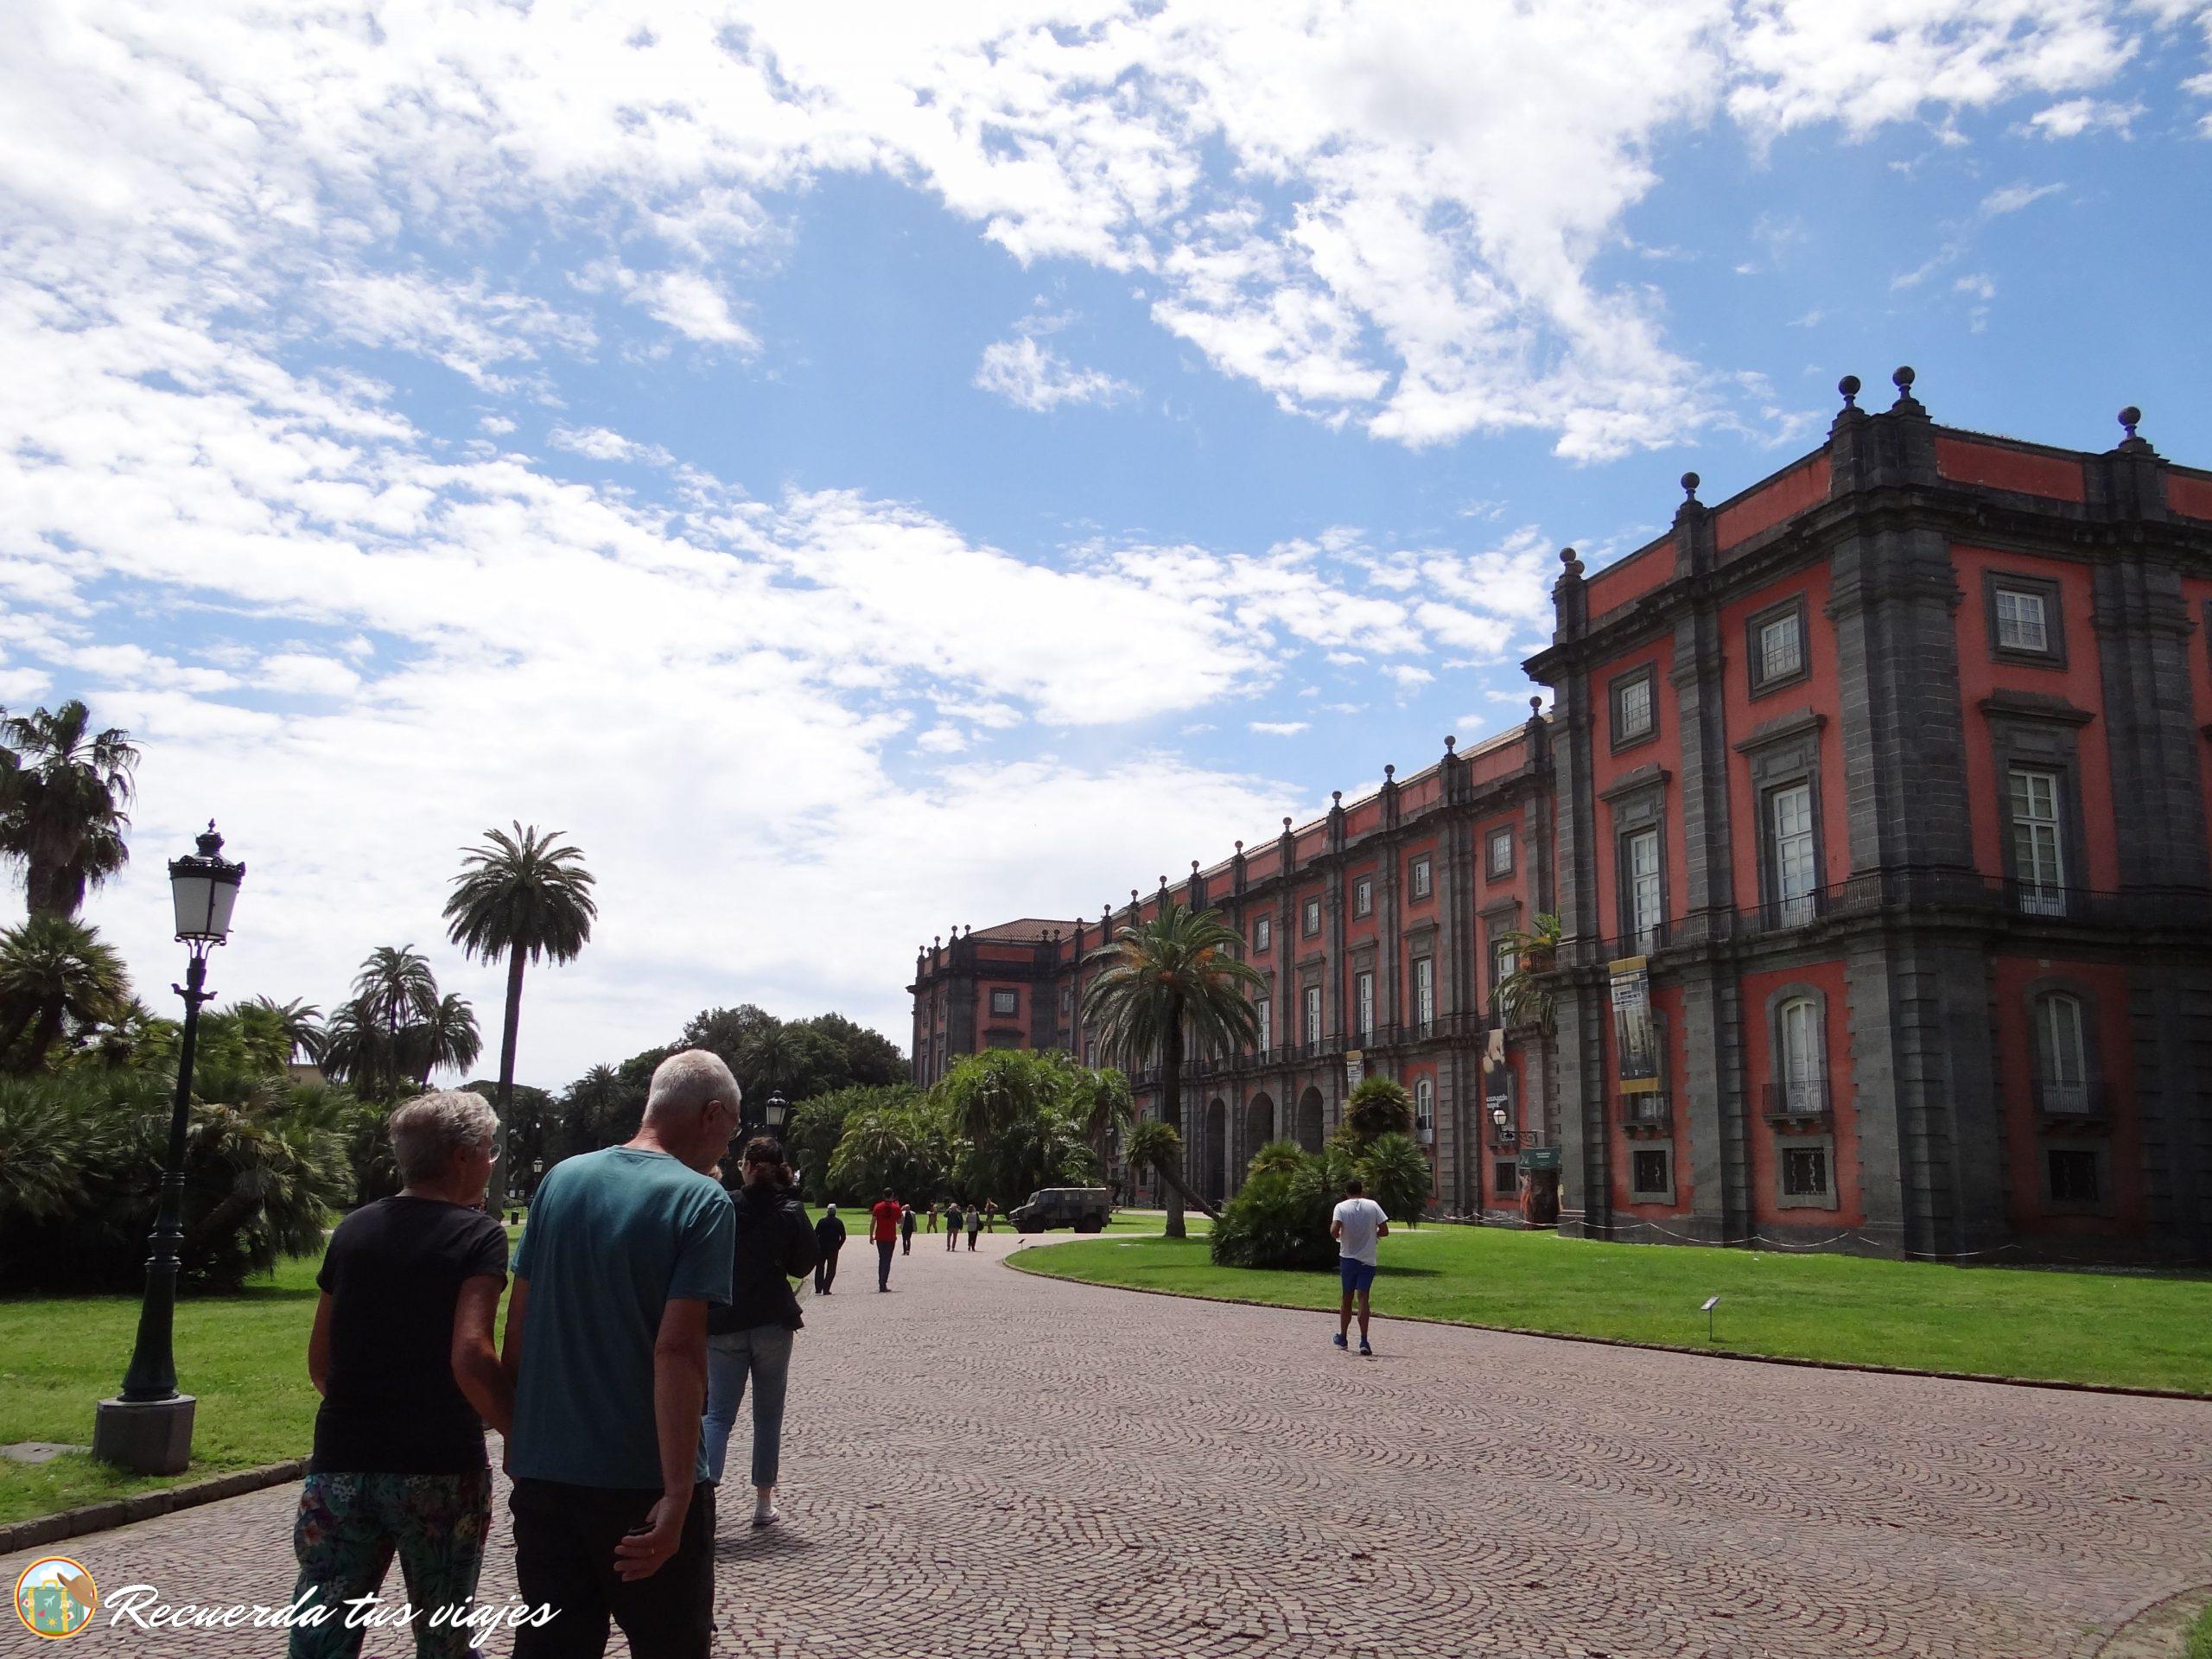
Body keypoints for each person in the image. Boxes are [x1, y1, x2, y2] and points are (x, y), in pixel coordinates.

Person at [503, 1049, 740, 1659]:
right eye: (733, 1128)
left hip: (548, 1475)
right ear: (712, 1115)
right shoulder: (702, 1202)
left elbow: (519, 1328)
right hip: (641, 1481)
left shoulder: (560, 1180)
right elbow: (679, 1350)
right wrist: (680, 1494)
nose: (730, 1147)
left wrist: (521, 1441)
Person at [289, 1090, 511, 1659]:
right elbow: (471, 1355)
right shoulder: (477, 1234)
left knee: (321, 1637)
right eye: (489, 1150)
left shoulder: (353, 1231)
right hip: (437, 1468)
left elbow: (321, 1364)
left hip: (341, 1465)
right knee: (443, 1638)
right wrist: (519, 1429)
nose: (493, 1162)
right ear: (461, 1156)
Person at [701, 1139, 817, 1530]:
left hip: (725, 1321)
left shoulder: (725, 1204)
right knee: (768, 1416)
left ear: (747, 1166)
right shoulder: (791, 1210)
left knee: (718, 1416)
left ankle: (706, 1497)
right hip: (772, 1320)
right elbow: (803, 1265)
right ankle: (763, 1501)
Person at [1331, 1176, 1389, 1357]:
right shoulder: (1372, 1205)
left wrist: (1342, 1235)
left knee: (1346, 1297)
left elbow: (1333, 1231)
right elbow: (1385, 1230)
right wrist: (1372, 1233)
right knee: (1364, 1297)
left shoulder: (1341, 1207)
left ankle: (1343, 1337)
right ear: (1362, 1191)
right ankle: (1364, 1340)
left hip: (1348, 1257)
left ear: (1346, 1192)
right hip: (1368, 1258)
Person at [870, 1191, 901, 1291]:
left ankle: (881, 1282)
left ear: (883, 1195)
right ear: (892, 1195)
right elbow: (900, 1222)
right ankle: (883, 1283)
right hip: (890, 1237)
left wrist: (871, 1235)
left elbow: (873, 1222)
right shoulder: (896, 1208)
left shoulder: (878, 1207)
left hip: (880, 1236)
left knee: (882, 1259)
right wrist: (899, 1208)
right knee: (887, 1260)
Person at [813, 1204, 846, 1295]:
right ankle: (826, 1288)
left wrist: (817, 1246)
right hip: (833, 1249)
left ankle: (818, 1288)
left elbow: (815, 1235)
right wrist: (839, 1246)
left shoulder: (821, 1222)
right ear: (835, 1212)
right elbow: (843, 1236)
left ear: (827, 1211)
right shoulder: (839, 1222)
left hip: (822, 1248)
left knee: (819, 1268)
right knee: (831, 1270)